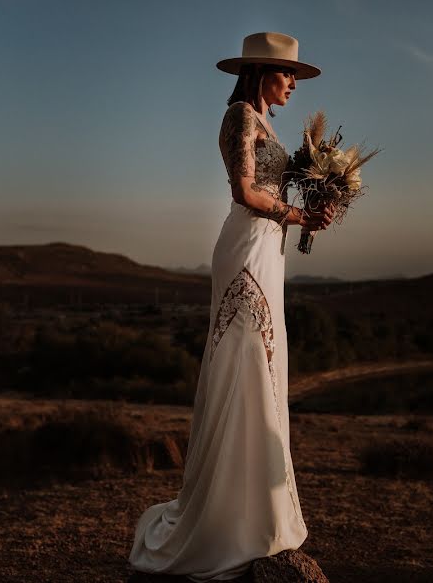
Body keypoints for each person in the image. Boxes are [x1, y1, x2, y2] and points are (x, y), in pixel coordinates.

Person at [127, 31, 334, 581]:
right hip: (246, 245)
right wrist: (295, 216)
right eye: (287, 74)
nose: (293, 83)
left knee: (263, 362)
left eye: (293, 76)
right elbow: (243, 191)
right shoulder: (241, 116)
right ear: (261, 72)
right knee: (243, 357)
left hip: (269, 250)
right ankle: (224, 520)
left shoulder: (266, 124)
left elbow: (276, 188)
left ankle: (257, 513)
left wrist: (317, 201)